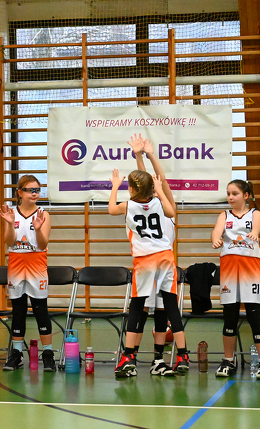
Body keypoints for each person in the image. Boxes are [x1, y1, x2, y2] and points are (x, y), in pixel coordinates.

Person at [109, 156, 189, 378]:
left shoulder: (131, 206)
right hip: (165, 259)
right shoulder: (161, 205)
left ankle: (133, 357)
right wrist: (158, 188)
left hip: (145, 260)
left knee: (140, 307)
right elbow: (166, 205)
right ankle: (180, 355)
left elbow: (113, 208)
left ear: (132, 190)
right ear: (153, 189)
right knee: (165, 308)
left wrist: (116, 185)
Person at [128, 134, 178, 377]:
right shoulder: (142, 206)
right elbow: (143, 181)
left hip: (163, 267)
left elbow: (159, 180)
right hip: (148, 264)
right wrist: (140, 156)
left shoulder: (168, 208)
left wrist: (150, 155)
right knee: (141, 312)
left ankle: (158, 360)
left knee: (161, 314)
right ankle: (131, 358)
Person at [211, 180, 260, 379]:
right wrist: (215, 238)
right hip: (229, 268)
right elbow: (216, 230)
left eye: (234, 193)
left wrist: (254, 232)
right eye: (228, 193)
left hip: (250, 268)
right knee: (230, 316)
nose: (230, 197)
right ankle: (229, 359)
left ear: (246, 196)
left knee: (254, 315)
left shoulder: (255, 213)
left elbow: (258, 225)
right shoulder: (224, 215)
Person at [0, 175, 55, 372]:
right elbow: (8, 242)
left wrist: (38, 229)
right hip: (16, 262)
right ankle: (17, 353)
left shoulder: (43, 214)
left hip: (36, 263)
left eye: (37, 190)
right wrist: (8, 224)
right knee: (18, 310)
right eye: (30, 190)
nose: (34, 194)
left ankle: (48, 353)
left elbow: (43, 243)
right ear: (20, 192)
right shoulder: (11, 213)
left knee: (40, 309)